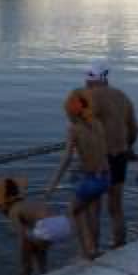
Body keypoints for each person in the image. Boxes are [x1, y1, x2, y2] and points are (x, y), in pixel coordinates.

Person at [45, 89, 109, 260]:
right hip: (104, 177)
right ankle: (95, 249)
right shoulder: (98, 124)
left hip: (89, 180)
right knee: (93, 214)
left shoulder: (73, 129)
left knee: (74, 212)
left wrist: (52, 185)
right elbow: (101, 152)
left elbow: (66, 159)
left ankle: (85, 253)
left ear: (71, 111)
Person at [85, 61, 138, 248]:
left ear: (91, 79)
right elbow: (133, 130)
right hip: (120, 156)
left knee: (94, 207)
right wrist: (127, 145)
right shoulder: (122, 96)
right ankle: (119, 245)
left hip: (99, 158)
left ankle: (93, 250)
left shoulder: (90, 97)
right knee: (116, 208)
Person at [0, 177, 71, 275]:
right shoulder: (26, 203)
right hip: (62, 223)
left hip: (47, 227)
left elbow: (22, 236)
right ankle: (43, 273)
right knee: (37, 247)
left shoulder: (13, 211)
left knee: (27, 247)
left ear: (5, 203)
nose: (0, 211)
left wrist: (23, 258)